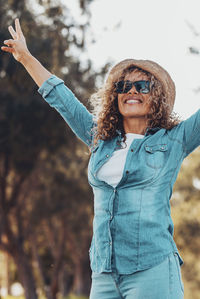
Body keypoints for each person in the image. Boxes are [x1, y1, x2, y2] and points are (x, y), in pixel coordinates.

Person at [1, 18, 200, 299]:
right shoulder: (100, 139)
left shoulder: (174, 141)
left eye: (142, 86)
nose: (131, 91)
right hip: (104, 273)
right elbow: (62, 99)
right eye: (124, 86)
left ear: (156, 97)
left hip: (151, 269)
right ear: (115, 96)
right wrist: (26, 57)